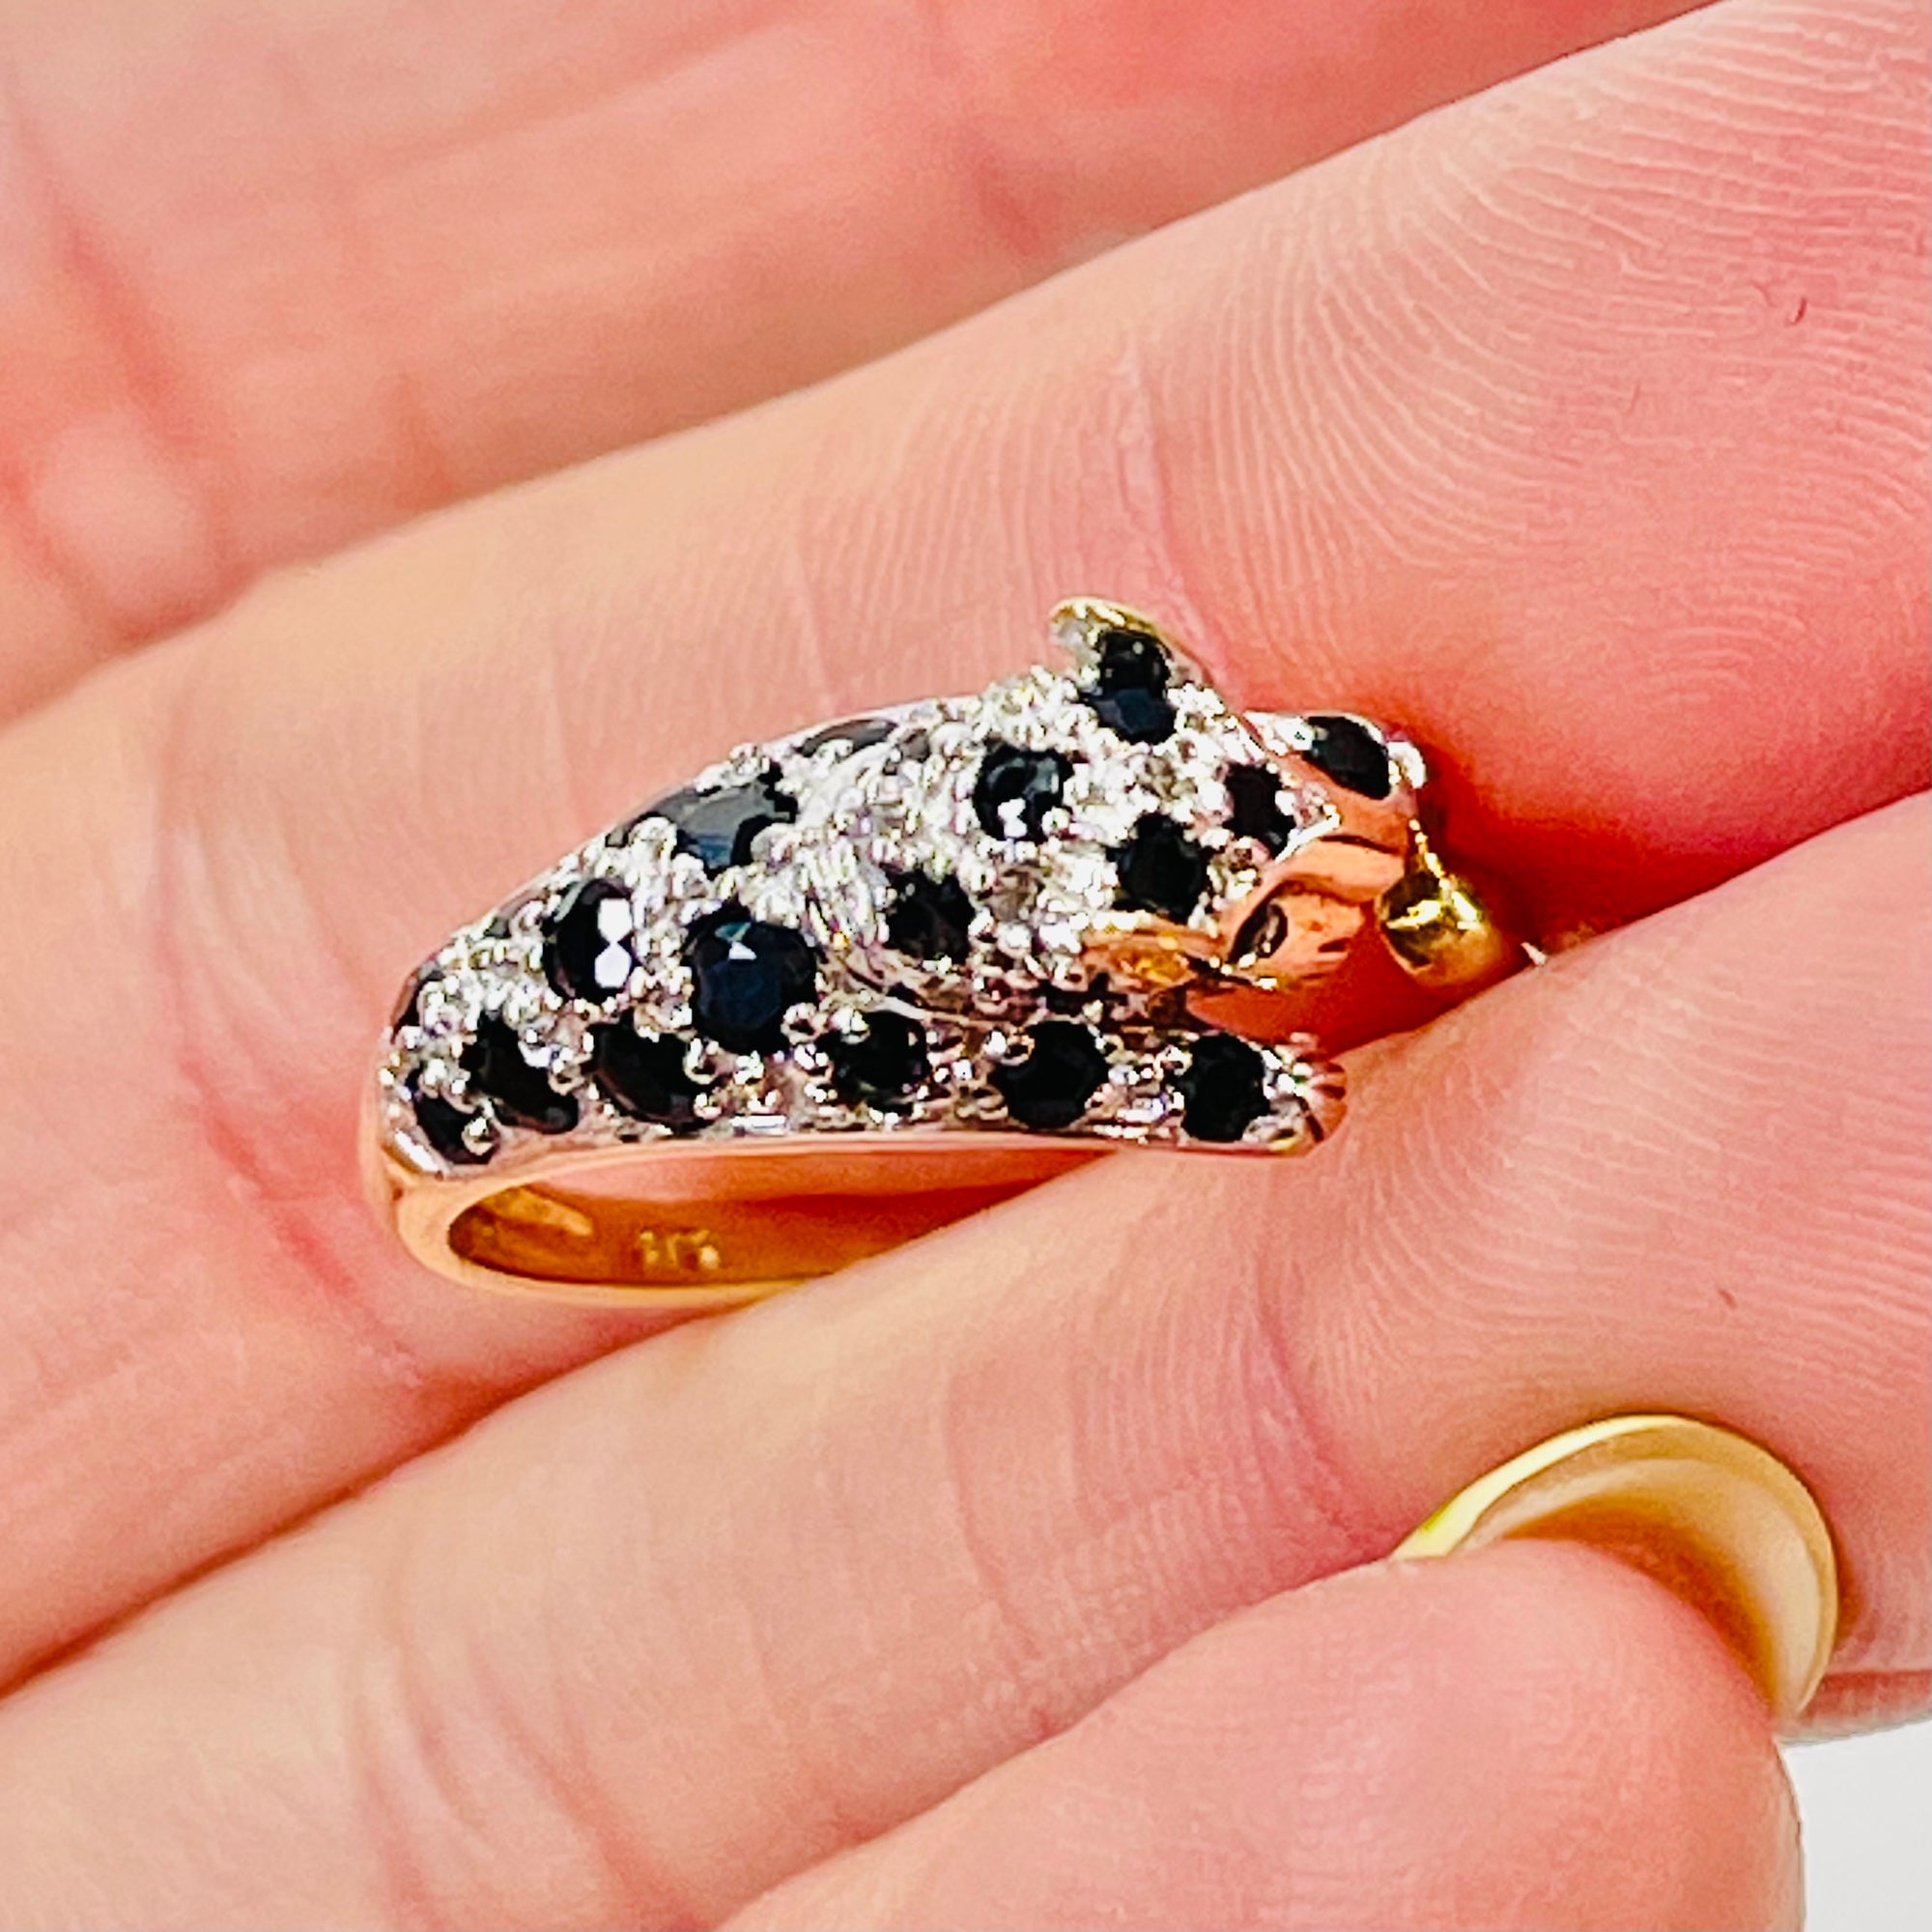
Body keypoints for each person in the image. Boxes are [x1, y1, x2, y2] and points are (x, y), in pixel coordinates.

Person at [0, 0, 1921, 1924]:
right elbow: (1024, 1066)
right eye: (1254, 932)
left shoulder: (1099, 750)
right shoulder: (1023, 967)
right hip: (625, 1043)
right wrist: (1210, 1087)